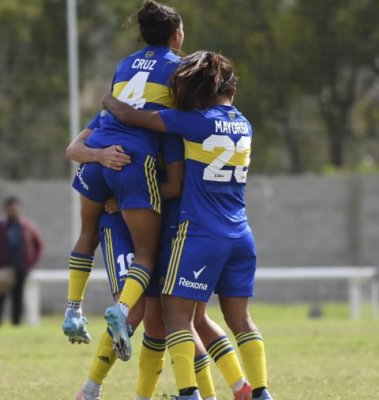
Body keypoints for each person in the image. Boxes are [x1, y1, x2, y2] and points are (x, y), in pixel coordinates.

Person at [103, 51, 274, 399]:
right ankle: (261, 393)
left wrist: (107, 99)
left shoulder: (196, 121)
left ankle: (188, 394)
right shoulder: (244, 124)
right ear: (232, 88)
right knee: (240, 320)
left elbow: (130, 115)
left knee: (175, 315)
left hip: (200, 233)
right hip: (241, 234)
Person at [62, 0, 185, 361]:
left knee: (87, 234)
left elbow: (107, 114)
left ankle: (73, 310)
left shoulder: (124, 64)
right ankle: (122, 309)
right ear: (177, 34)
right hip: (132, 161)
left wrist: (98, 154)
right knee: (145, 253)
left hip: (98, 153)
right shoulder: (180, 68)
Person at [0, 196, 44, 326]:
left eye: (15, 208)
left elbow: (39, 245)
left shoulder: (26, 225)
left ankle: (16, 323)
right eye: (11, 208)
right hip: (2, 267)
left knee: (18, 297)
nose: (13, 211)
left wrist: (30, 262)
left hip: (20, 267)